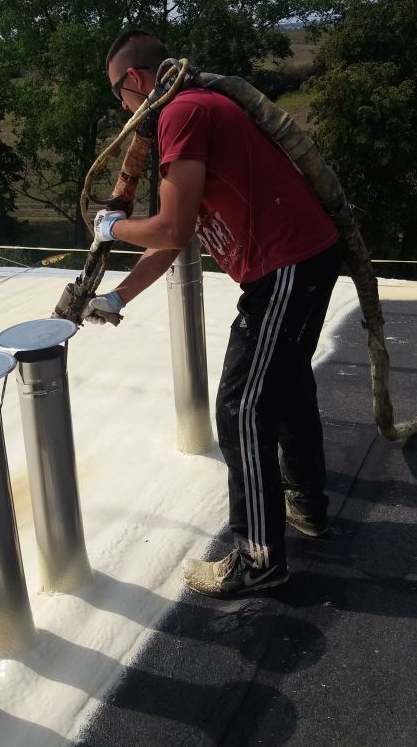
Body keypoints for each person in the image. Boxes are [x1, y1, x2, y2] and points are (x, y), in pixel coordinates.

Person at [83, 30, 342, 598]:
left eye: (118, 94)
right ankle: (307, 505)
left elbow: (169, 228)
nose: (122, 108)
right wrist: (119, 297)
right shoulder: (194, 110)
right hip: (302, 258)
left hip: (285, 266)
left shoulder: (182, 113)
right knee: (285, 383)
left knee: (241, 406)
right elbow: (178, 236)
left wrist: (114, 227)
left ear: (134, 80)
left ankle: (259, 558)